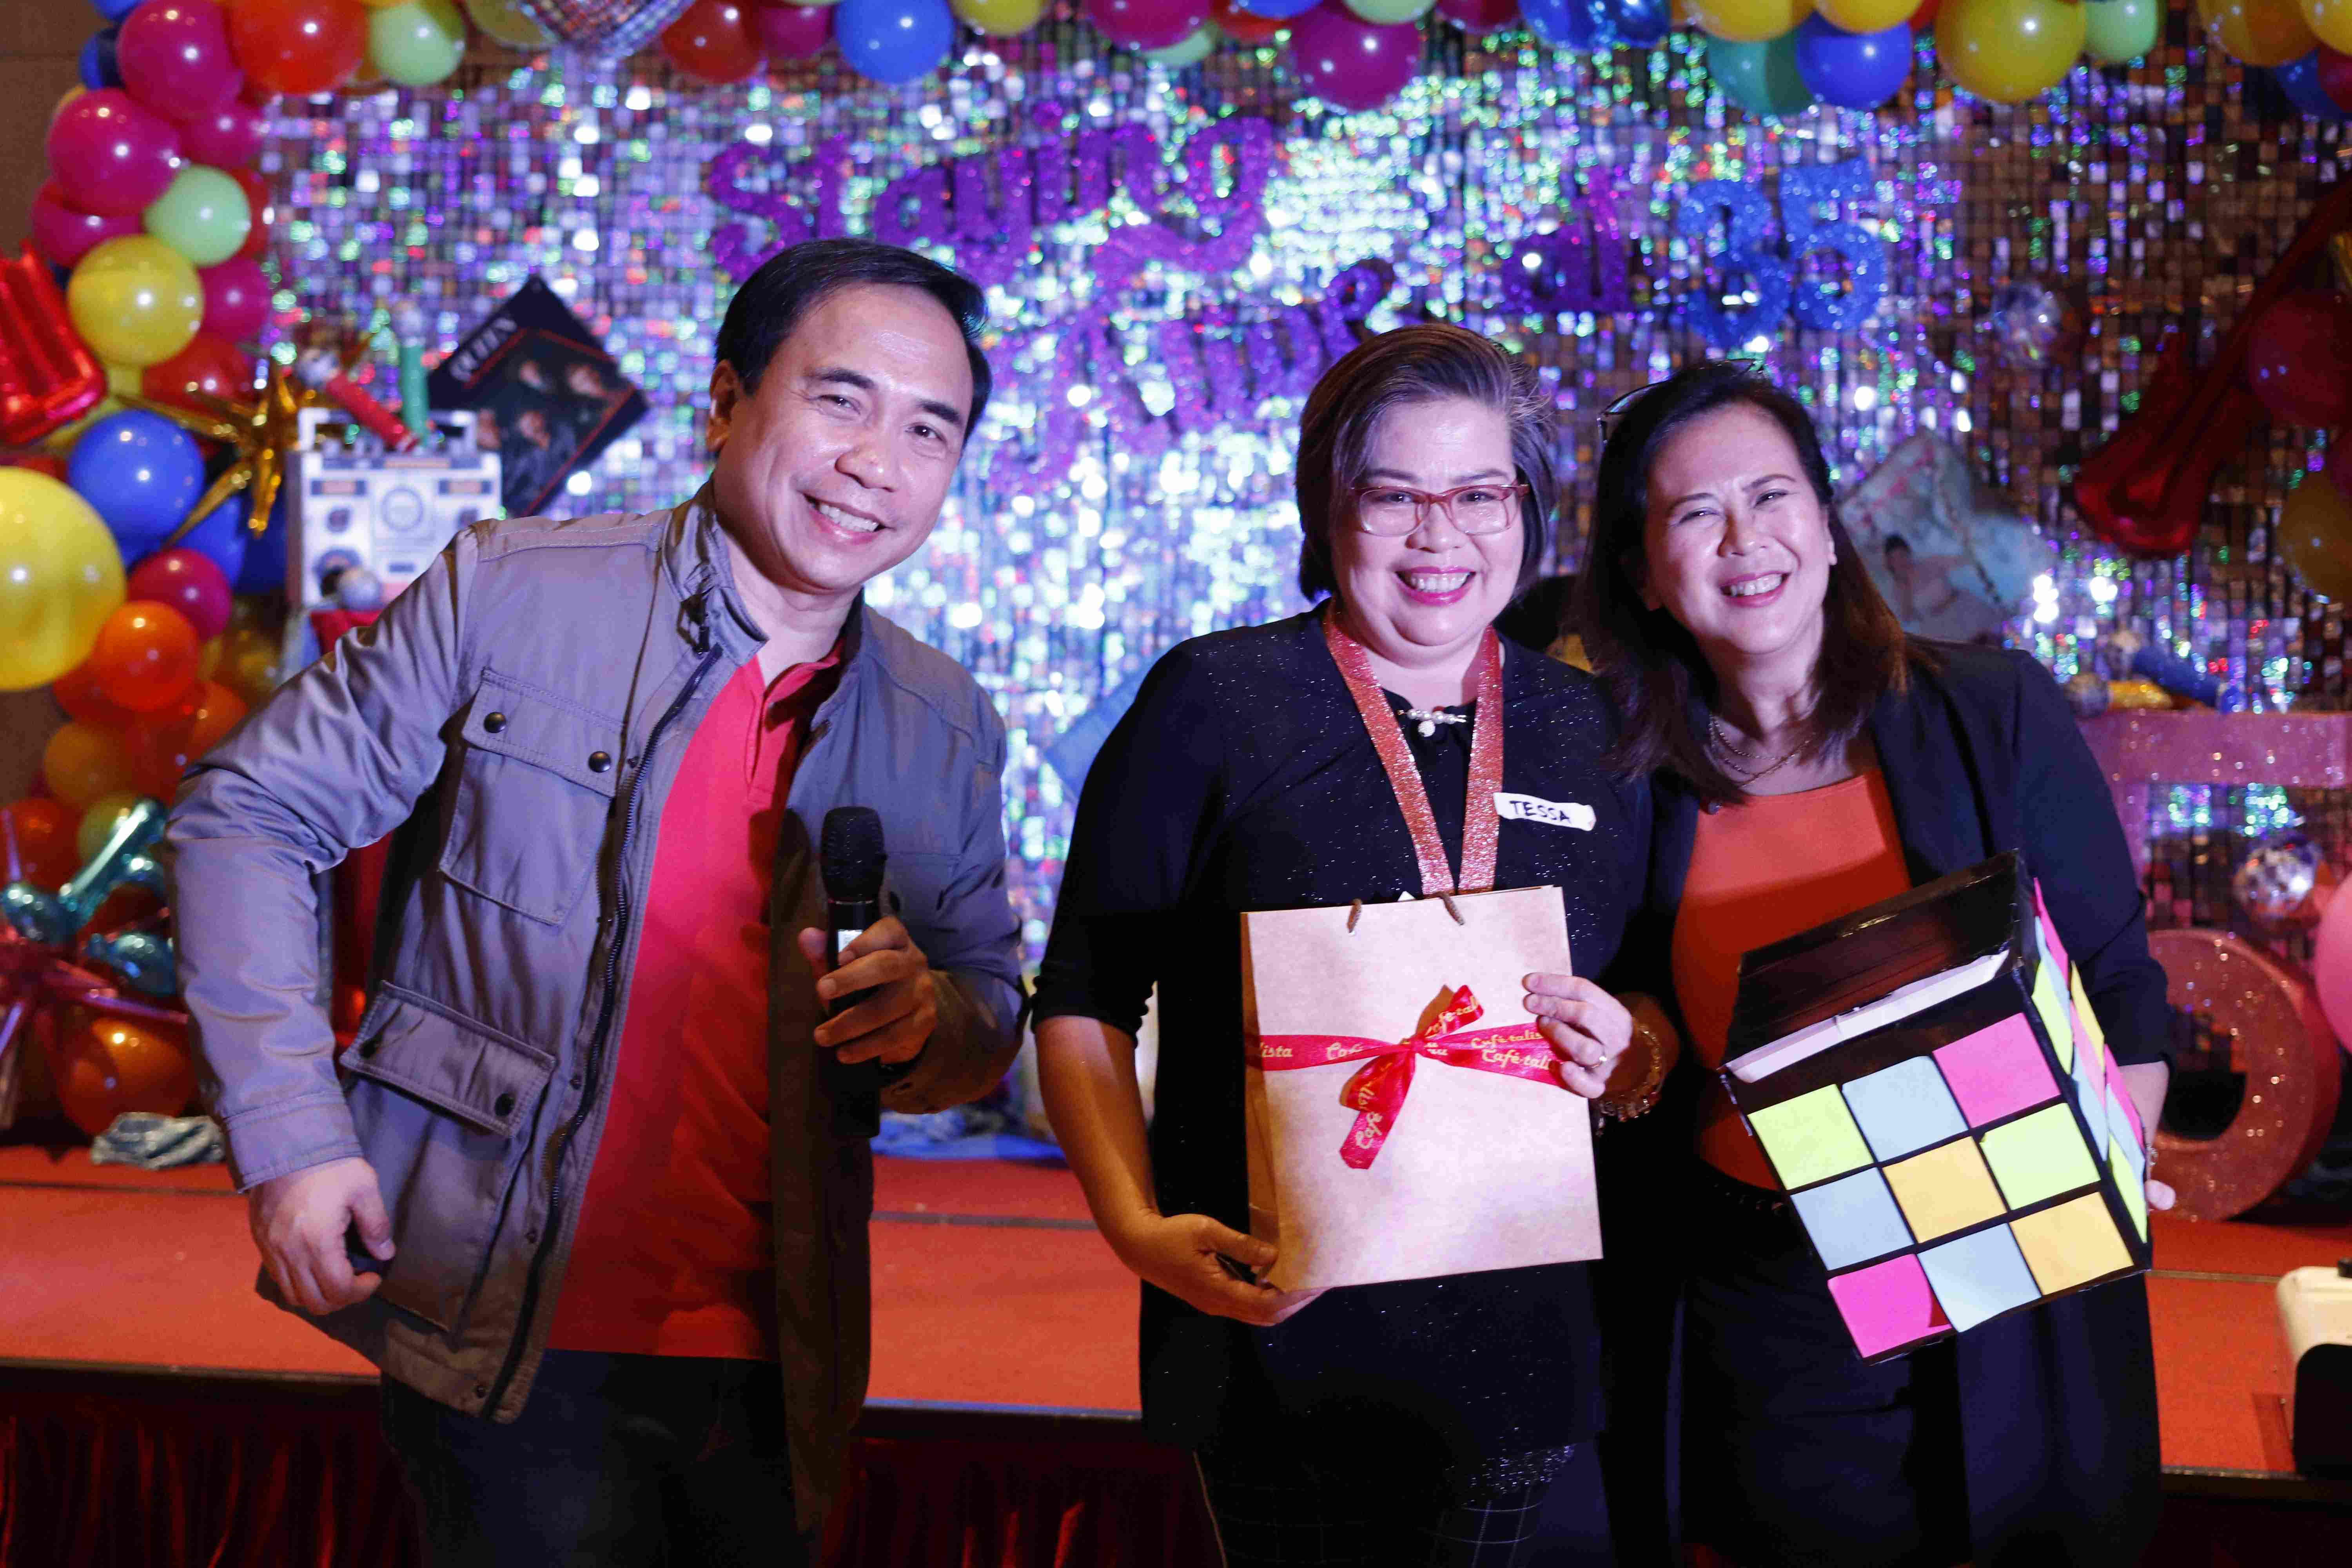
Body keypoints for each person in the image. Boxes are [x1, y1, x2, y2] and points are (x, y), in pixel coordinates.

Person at [163, 238, 1026, 1567]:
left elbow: (984, 1016)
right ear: (728, 401)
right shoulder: (512, 588)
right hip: (510, 1321)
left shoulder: (944, 719)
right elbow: (248, 814)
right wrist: (289, 1137)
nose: (878, 463)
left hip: (781, 1357)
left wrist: (928, 1021)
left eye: (930, 429)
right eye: (840, 400)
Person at [1034, 323, 1665, 1567]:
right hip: (1272, 1322)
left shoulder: (1591, 726)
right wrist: (1134, 1227)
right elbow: (1084, 994)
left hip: (1518, 1342)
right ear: (1329, 509)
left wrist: (1631, 1052)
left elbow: (1650, 998)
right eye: (1395, 496)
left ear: (1528, 509)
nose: (1441, 537)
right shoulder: (1217, 701)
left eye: (1479, 494)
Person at [1573, 361, 2175, 1568]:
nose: (1745, 539)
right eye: (1695, 513)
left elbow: (2120, 989)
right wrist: (1621, 1051)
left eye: (1772, 495)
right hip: (1772, 1294)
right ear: (1643, 573)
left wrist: (2097, 1169)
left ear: (1829, 525)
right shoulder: (1624, 778)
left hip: (2008, 1258)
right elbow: (1643, 1023)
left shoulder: (1992, 712)